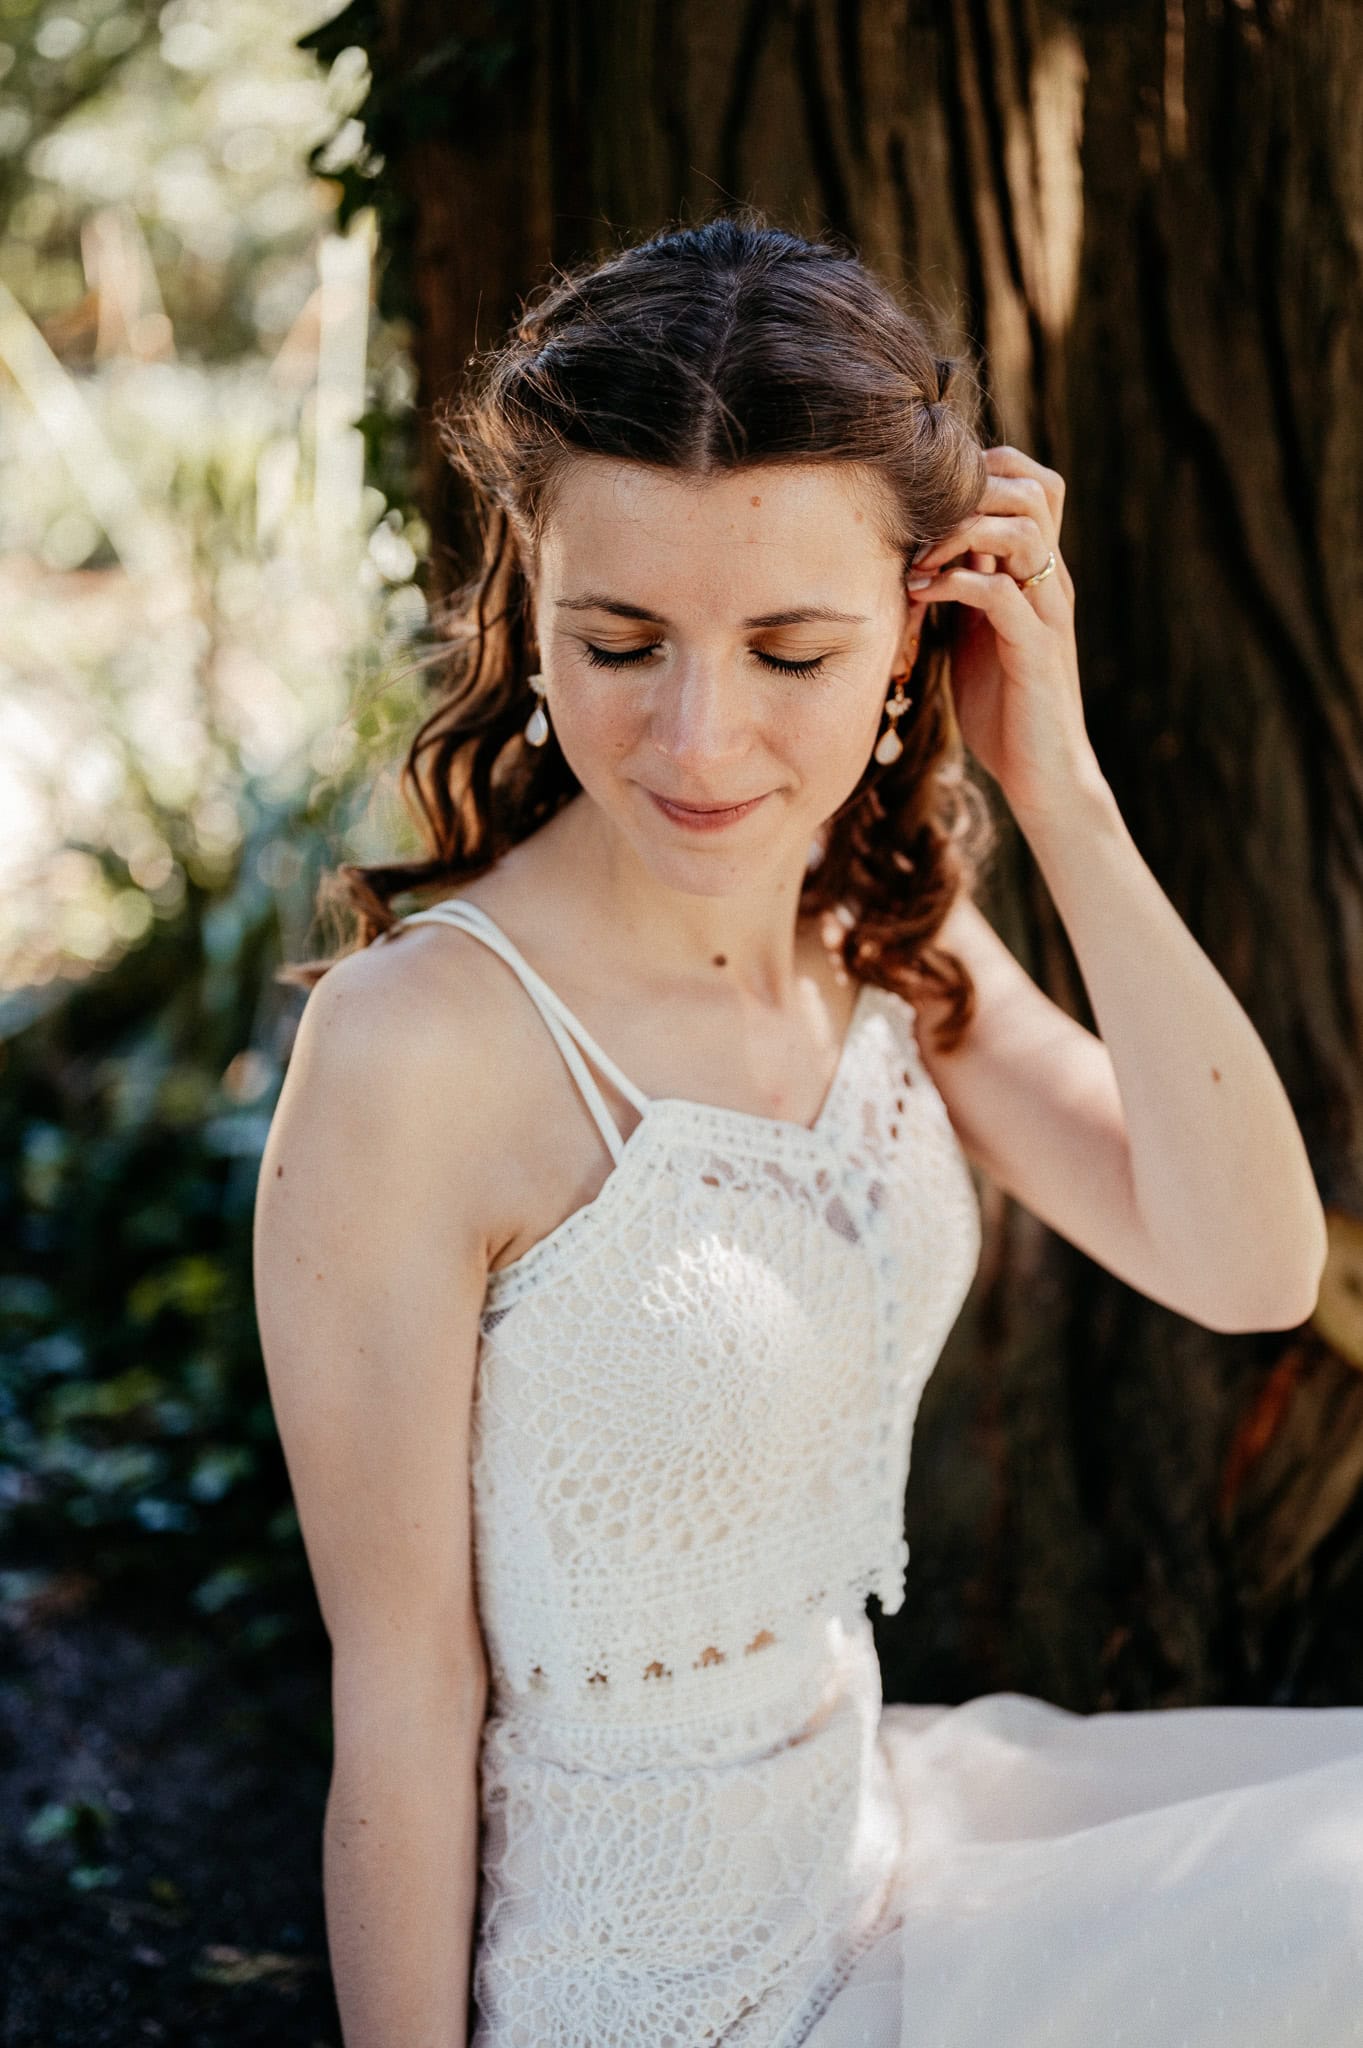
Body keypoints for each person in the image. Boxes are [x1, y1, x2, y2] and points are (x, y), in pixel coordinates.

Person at [252, 212, 1363, 2048]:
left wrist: (1059, 786)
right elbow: (400, 1693)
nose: (701, 743)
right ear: (531, 607)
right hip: (665, 1997)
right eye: (623, 642)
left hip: (875, 1854)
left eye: (790, 651)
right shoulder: (415, 1054)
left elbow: (1250, 1268)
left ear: (918, 636)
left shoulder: (881, 928)